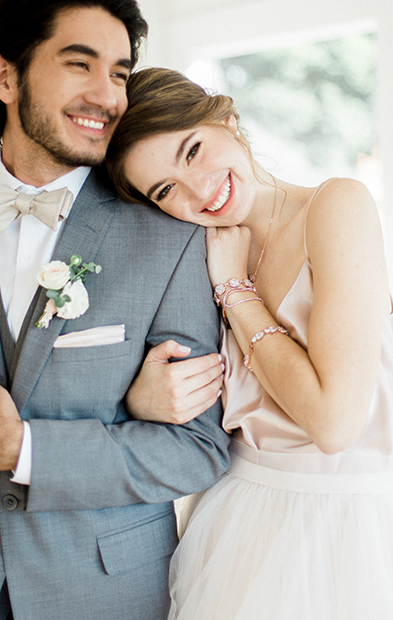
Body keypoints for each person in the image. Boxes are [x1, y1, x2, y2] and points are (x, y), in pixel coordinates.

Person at [0, 0, 231, 620]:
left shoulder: (170, 238)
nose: (108, 95)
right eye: (79, 64)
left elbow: (198, 450)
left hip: (105, 594)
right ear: (5, 77)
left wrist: (27, 451)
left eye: (118, 72)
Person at [106, 66, 393, 619]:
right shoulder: (190, 252)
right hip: (237, 520)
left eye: (192, 151)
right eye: (165, 190)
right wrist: (142, 400)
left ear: (227, 120)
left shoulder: (336, 207)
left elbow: (333, 424)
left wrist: (236, 293)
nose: (198, 191)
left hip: (350, 524)